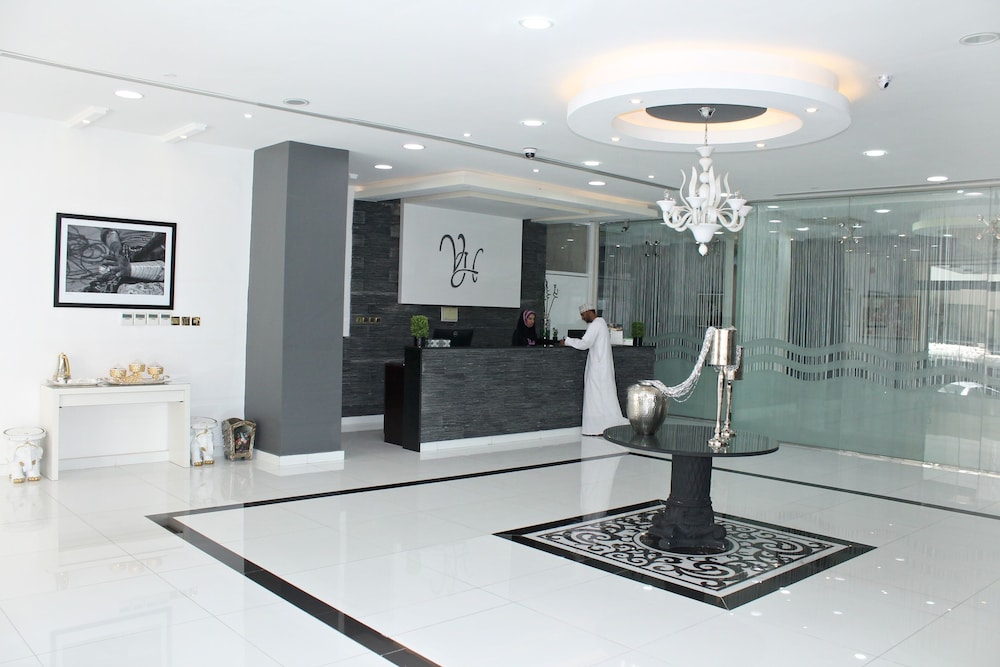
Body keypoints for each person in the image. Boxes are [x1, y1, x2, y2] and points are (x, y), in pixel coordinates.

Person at [561, 303, 629, 436]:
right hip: (602, 367)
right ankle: (604, 426)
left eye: (583, 315)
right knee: (603, 398)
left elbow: (584, 343)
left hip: (598, 369)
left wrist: (567, 341)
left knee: (595, 398)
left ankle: (597, 428)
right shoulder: (601, 323)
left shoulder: (596, 325)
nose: (582, 318)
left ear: (588, 312)